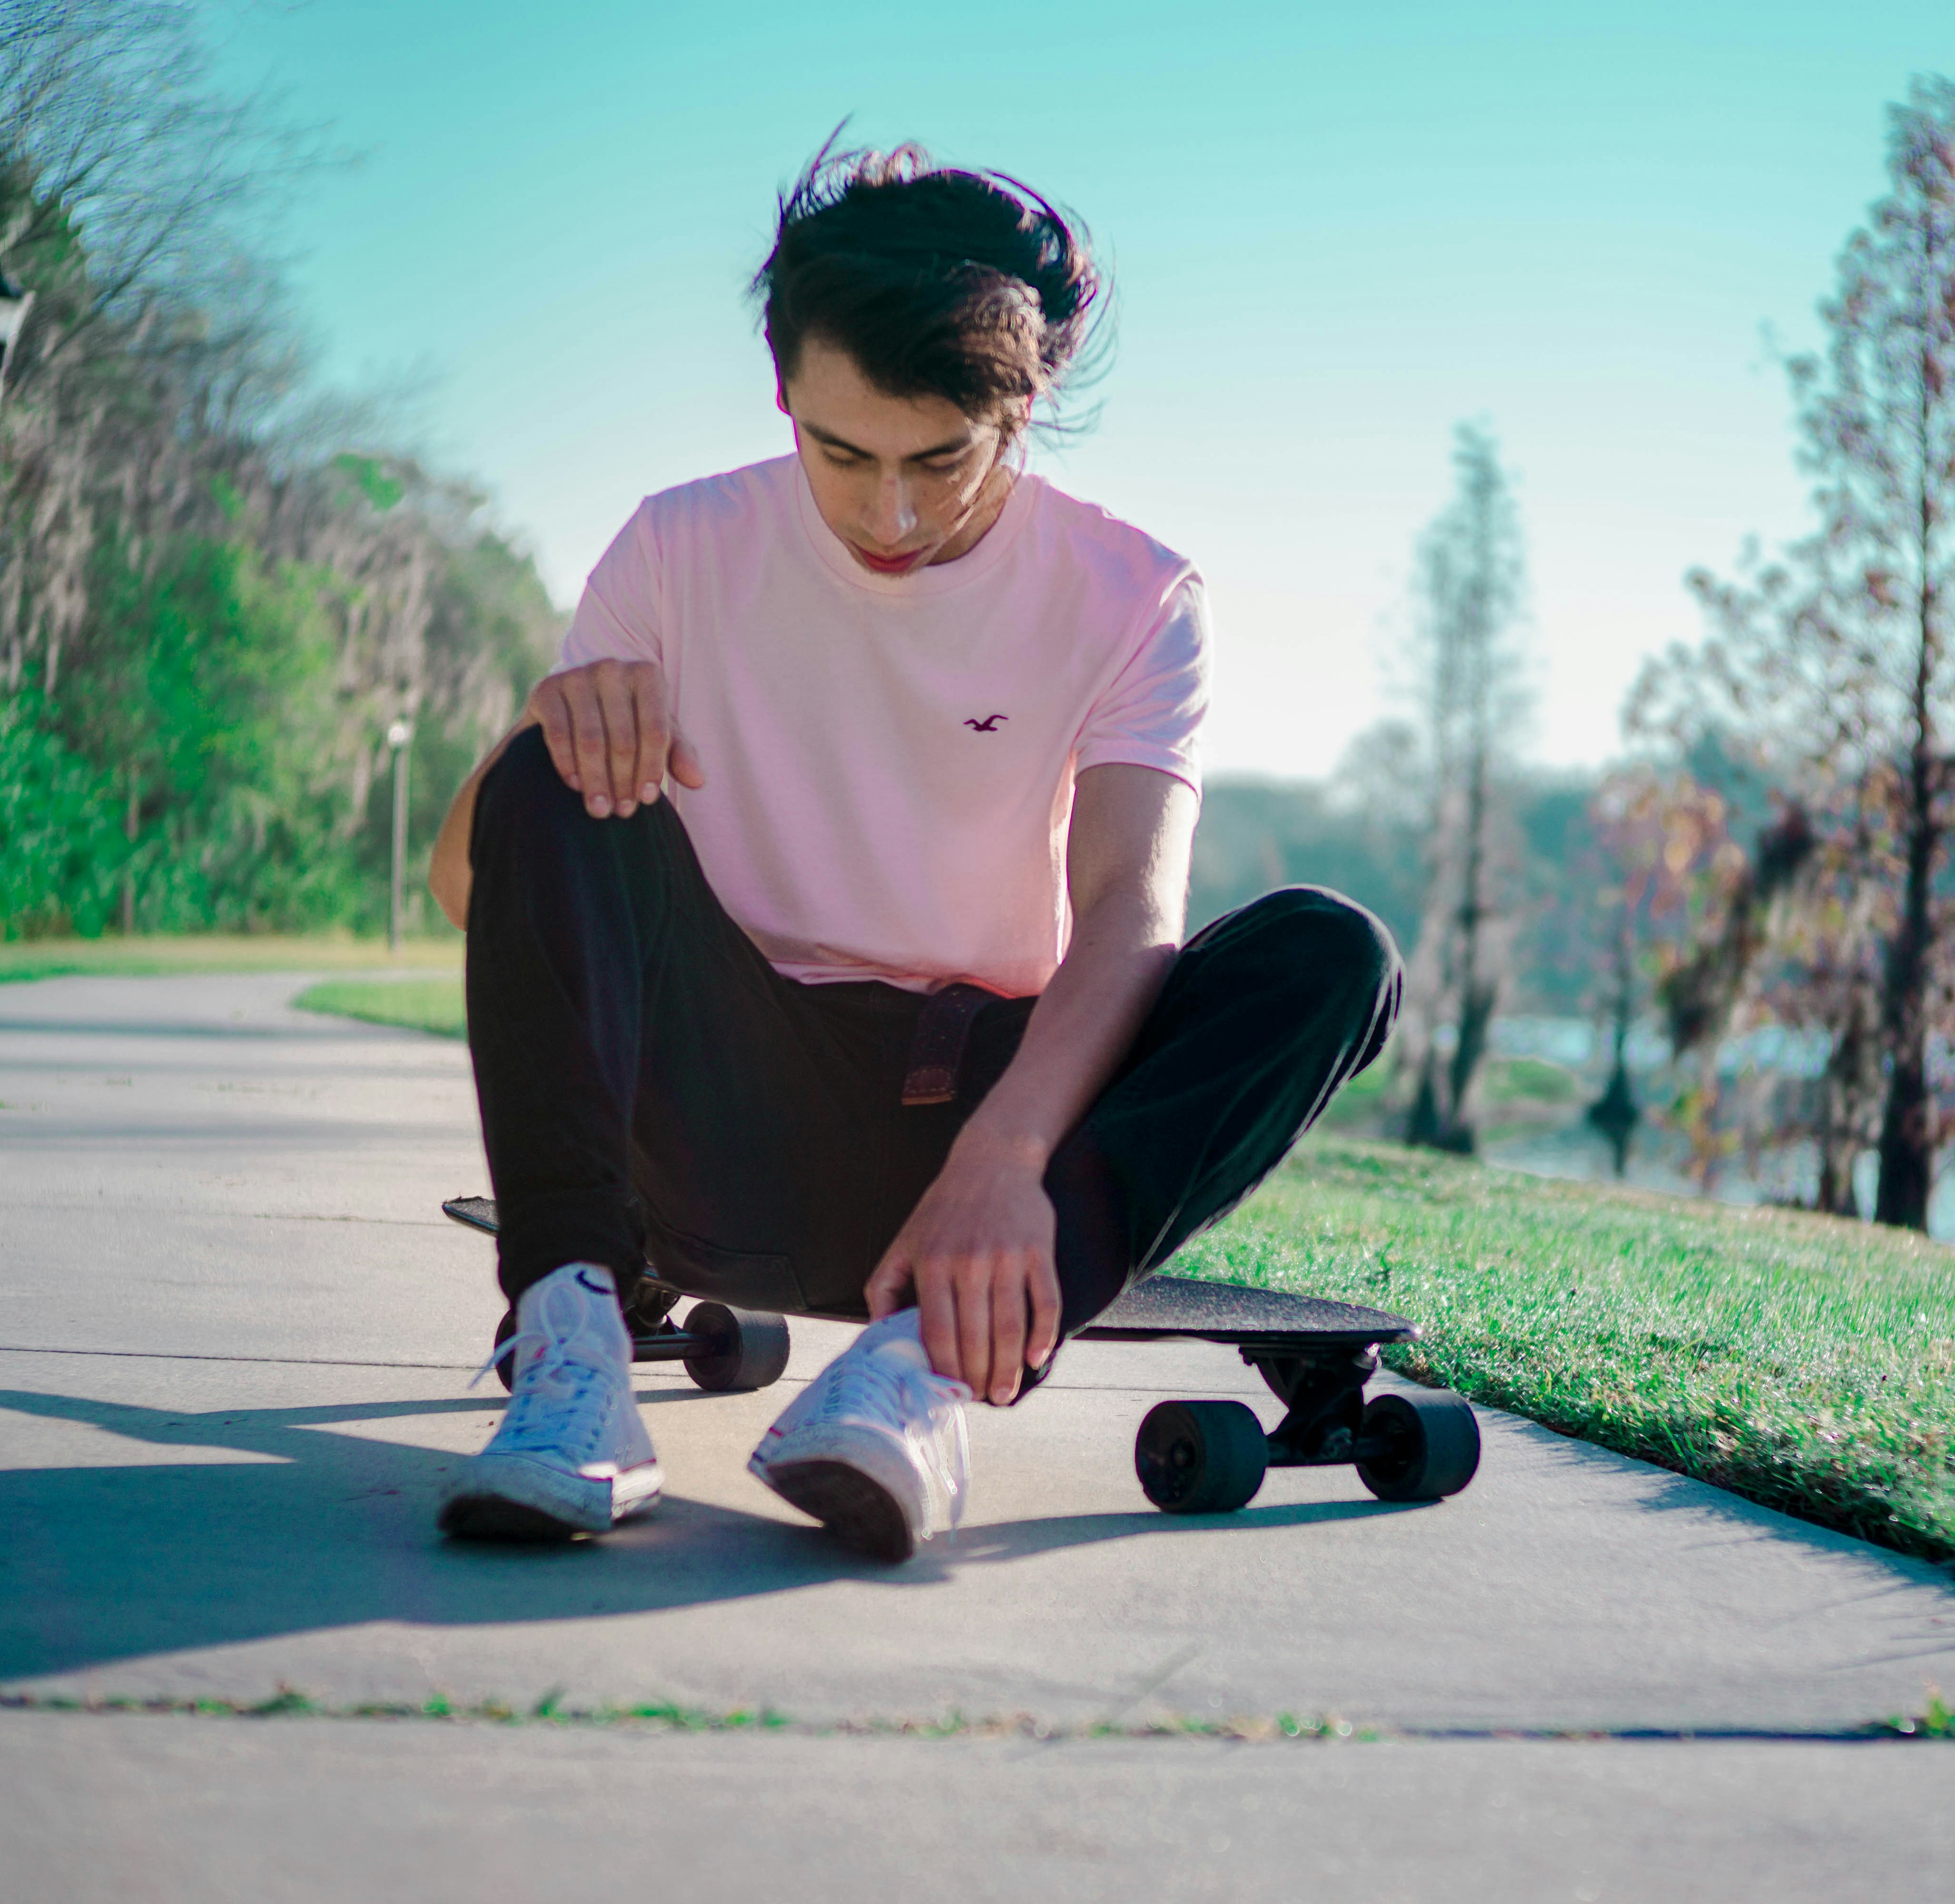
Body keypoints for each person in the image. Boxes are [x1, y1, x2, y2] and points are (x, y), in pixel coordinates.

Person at [427, 140, 1399, 1562]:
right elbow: (473, 887)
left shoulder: (1135, 595)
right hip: (714, 1125)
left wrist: (1007, 1155)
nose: (887, 514)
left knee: (1331, 953)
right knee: (546, 769)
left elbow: (1132, 902)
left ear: (1026, 406)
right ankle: (570, 1365)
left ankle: (911, 1380)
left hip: (983, 1161)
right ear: (783, 394)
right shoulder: (675, 550)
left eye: (940, 458)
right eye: (842, 452)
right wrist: (544, 728)